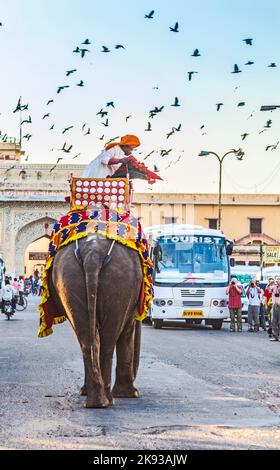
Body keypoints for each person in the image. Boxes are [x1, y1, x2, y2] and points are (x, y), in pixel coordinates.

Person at [270, 277, 280, 342]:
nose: (277, 280)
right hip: (274, 305)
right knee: (274, 321)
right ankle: (275, 336)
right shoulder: (274, 287)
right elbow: (267, 289)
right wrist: (270, 283)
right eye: (276, 279)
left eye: (279, 279)